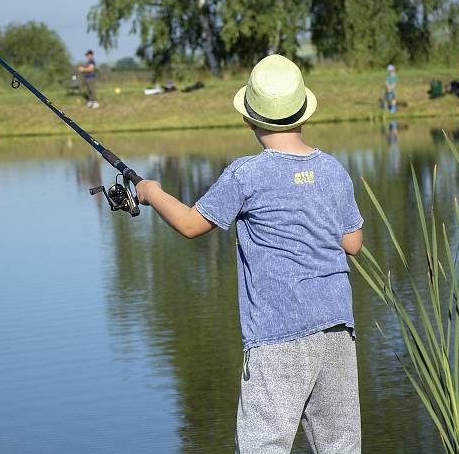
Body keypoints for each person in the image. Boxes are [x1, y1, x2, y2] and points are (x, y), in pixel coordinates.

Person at [136, 54, 364, 453]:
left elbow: (192, 225)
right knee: (340, 445)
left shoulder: (247, 173)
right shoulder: (332, 169)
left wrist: (153, 193)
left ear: (249, 119)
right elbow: (353, 243)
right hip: (337, 328)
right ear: (303, 114)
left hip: (277, 335)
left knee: (264, 445)